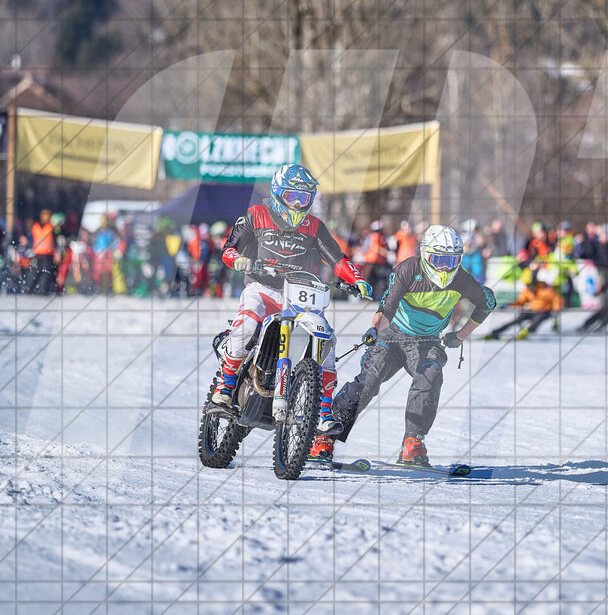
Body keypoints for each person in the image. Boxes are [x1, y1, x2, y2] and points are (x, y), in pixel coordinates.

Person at [209, 164, 373, 463]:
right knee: (246, 326)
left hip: (299, 294)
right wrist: (240, 261)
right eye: (291, 196)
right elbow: (229, 248)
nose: (298, 204)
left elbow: (337, 258)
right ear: (277, 192)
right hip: (261, 287)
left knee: (325, 339)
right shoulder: (256, 214)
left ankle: (323, 413)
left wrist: (356, 278)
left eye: (303, 197)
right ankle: (226, 384)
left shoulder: (314, 226)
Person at [329, 225, 496, 466]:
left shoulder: (462, 279)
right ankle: (325, 435)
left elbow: (487, 302)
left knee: (430, 375)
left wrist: (460, 335)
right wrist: (374, 330)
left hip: (427, 340)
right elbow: (387, 307)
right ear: (426, 255)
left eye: (452, 260)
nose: (445, 267)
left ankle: (413, 442)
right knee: (369, 381)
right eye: (439, 259)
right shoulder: (407, 270)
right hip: (391, 335)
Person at [484, 262, 564, 340]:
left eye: (530, 285)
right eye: (527, 285)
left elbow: (558, 299)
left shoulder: (546, 290)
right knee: (516, 320)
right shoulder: (527, 291)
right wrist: (509, 305)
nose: (529, 287)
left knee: (537, 320)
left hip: (544, 311)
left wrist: (556, 309)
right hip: (531, 310)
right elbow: (521, 301)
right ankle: (495, 332)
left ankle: (525, 333)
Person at [28, 209, 59, 294]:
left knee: (35, 272)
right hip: (47, 254)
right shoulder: (50, 227)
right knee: (46, 273)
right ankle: (42, 290)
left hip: (37, 253)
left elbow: (30, 239)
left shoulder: (35, 226)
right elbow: (55, 240)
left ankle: (29, 289)